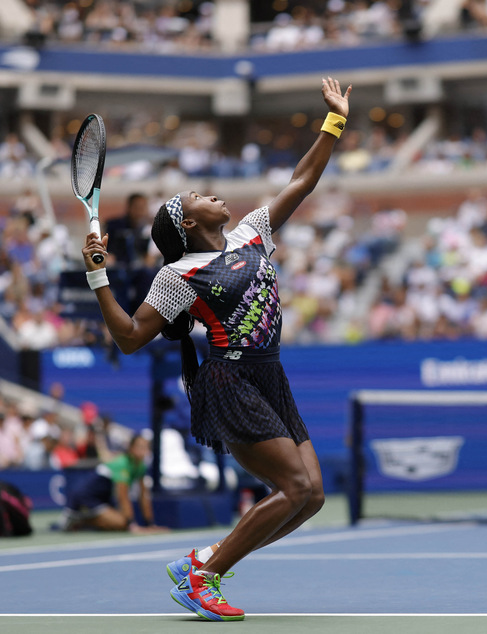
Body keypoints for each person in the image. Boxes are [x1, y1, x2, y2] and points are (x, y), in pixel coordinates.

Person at [80, 77, 352, 622]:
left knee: (313, 495)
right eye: (199, 198)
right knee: (293, 485)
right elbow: (131, 338)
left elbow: (301, 180)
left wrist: (334, 122)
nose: (212, 196)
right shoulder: (178, 273)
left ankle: (203, 561)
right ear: (188, 221)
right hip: (228, 381)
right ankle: (204, 579)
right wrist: (98, 278)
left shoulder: (253, 233)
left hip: (271, 378)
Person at [60, 434, 166, 533]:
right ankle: (79, 519)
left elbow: (143, 496)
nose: (143, 450)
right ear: (131, 448)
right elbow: (122, 496)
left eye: (146, 447)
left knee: (121, 523)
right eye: (140, 447)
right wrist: (132, 525)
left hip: (103, 498)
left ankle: (83, 519)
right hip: (86, 496)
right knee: (121, 523)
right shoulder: (122, 463)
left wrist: (150, 524)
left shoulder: (141, 466)